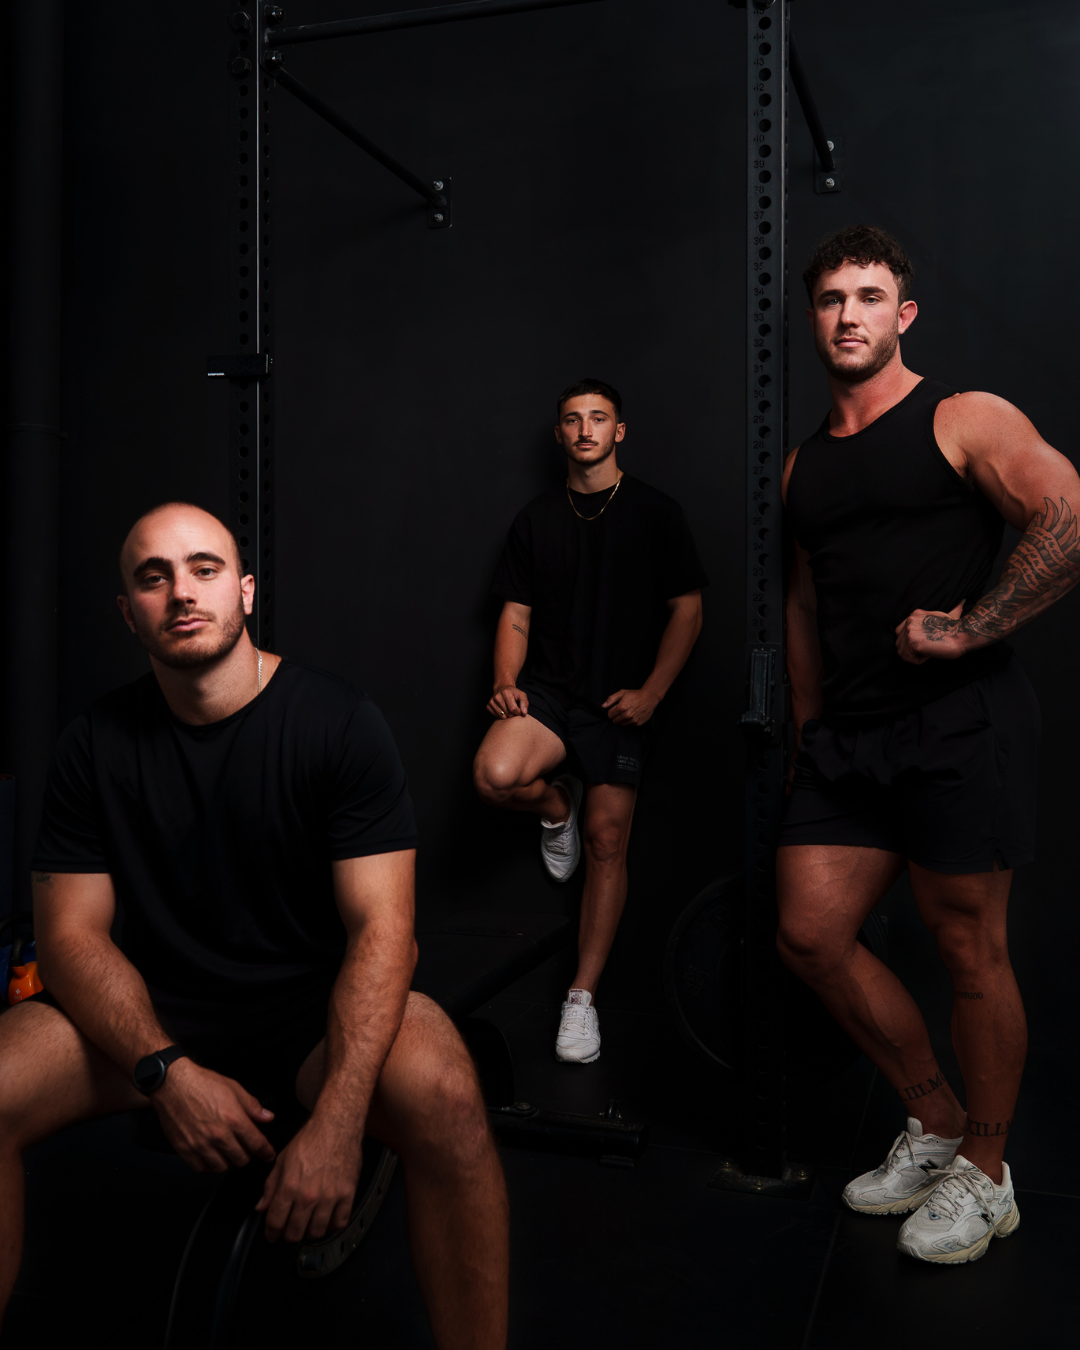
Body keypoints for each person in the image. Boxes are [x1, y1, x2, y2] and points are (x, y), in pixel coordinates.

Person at [0, 502, 508, 1348]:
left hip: (312, 1019)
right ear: (129, 613)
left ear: (244, 591)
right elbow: (72, 940)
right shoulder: (93, 746)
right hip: (153, 1020)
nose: (181, 592)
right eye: (152, 577)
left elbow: (387, 933)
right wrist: (167, 1071)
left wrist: (340, 1125)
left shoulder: (339, 724)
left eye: (203, 569)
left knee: (449, 1098)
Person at [777, 224, 1080, 1265]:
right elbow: (806, 604)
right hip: (847, 741)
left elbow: (1068, 510)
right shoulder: (802, 467)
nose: (849, 314)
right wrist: (808, 731)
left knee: (967, 949)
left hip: (961, 724)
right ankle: (939, 1120)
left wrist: (975, 626)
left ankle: (988, 1178)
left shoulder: (960, 416)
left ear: (903, 316)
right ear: (811, 319)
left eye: (869, 296)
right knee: (811, 933)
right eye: (830, 299)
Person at [473, 379, 707, 1064]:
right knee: (494, 774)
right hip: (548, 691)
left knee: (608, 846)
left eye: (598, 419)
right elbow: (514, 613)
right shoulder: (535, 519)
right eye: (573, 420)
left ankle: (581, 998)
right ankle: (555, 805)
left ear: (619, 432)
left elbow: (688, 611)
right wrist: (505, 682)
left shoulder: (656, 513)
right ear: (560, 436)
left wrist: (653, 694)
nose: (584, 430)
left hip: (618, 703)